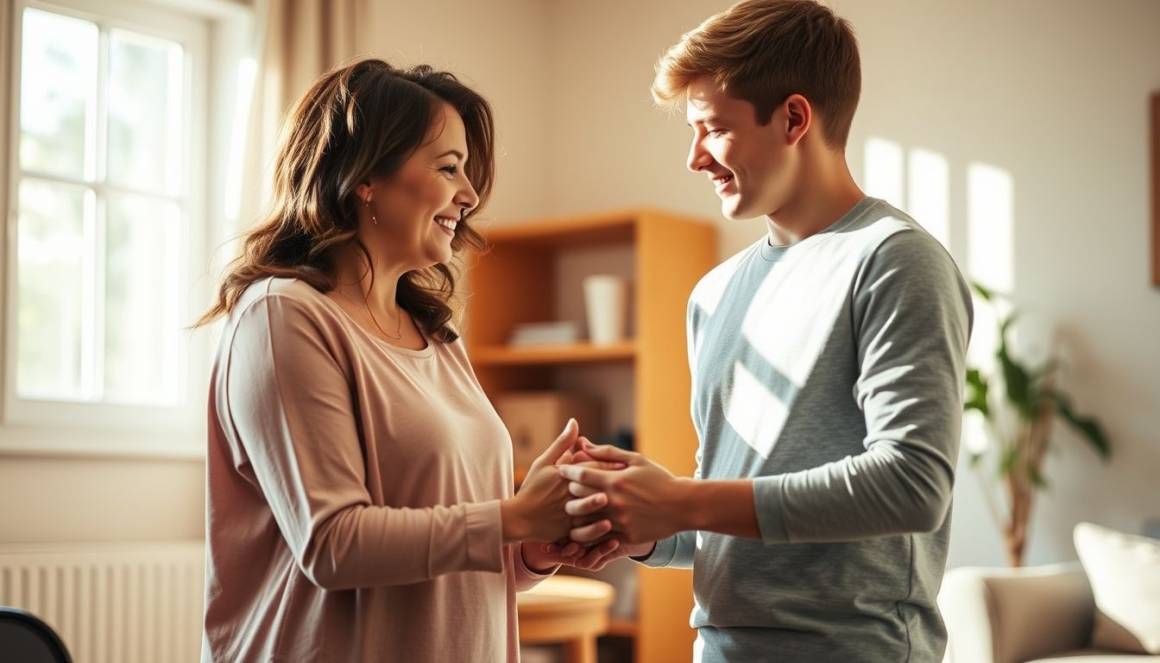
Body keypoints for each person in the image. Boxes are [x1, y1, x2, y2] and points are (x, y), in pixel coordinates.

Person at [558, 2, 974, 661]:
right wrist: (642, 522)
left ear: (794, 118)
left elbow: (911, 484)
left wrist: (682, 498)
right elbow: (725, 518)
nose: (694, 158)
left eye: (712, 128)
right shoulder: (713, 294)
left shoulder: (894, 260)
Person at [195, 59, 621, 663]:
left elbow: (454, 555)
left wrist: (531, 546)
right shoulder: (283, 317)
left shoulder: (437, 335)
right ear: (365, 175)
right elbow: (334, 546)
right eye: (449, 168)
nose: (470, 195)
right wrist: (513, 515)